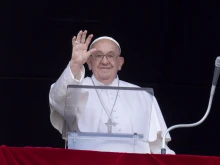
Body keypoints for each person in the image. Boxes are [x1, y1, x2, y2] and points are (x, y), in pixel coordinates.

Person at [49, 30, 175, 154]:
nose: (105, 61)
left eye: (111, 55)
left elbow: (159, 147)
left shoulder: (143, 96)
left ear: (120, 63)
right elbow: (58, 99)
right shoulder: (75, 89)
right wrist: (75, 64)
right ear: (89, 62)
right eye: (98, 55)